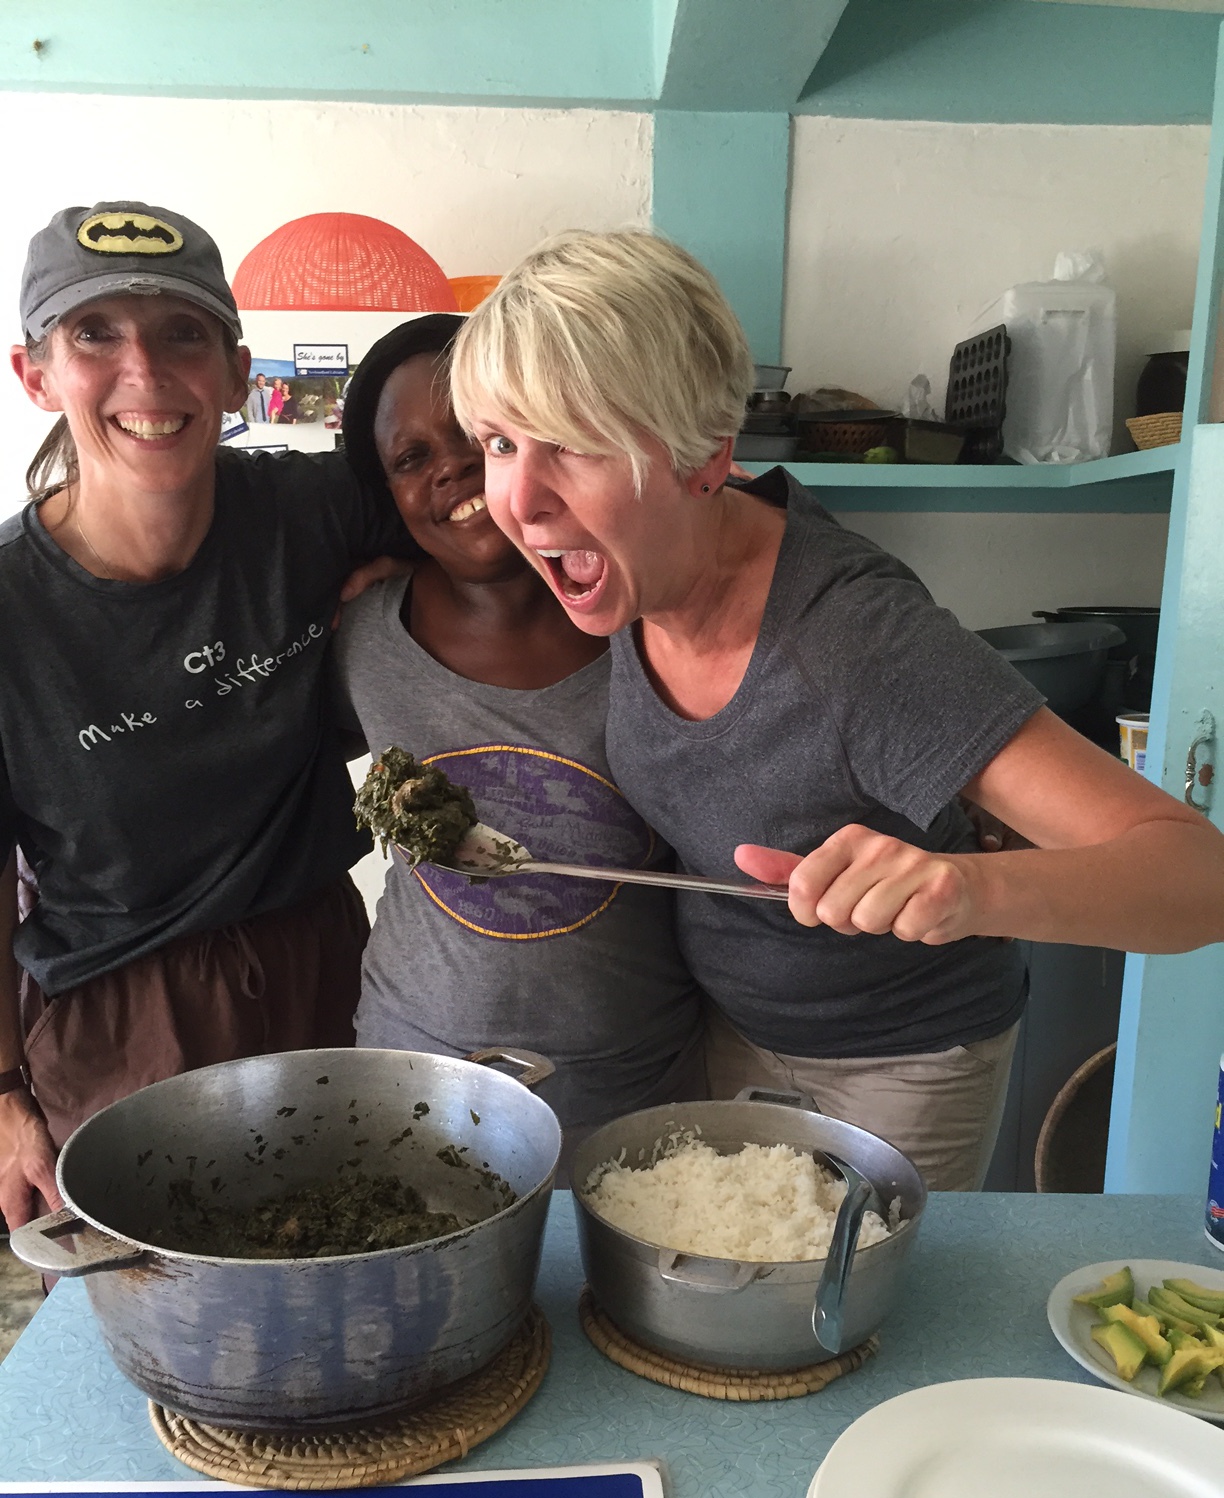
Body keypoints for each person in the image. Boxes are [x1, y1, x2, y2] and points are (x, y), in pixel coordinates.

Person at [449, 227, 1224, 1190]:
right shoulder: (635, 557)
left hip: (902, 1064)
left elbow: (1197, 876)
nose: (521, 501)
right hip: (726, 1031)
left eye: (574, 443)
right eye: (501, 443)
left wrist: (968, 889)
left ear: (705, 456)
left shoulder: (857, 641)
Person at [0, 200, 408, 1228]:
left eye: (183, 333)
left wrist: (416, 590)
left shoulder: (313, 510)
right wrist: (2, 1096)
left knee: (357, 1253)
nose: (144, 371)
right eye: (95, 334)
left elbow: (487, 514)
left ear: (235, 372)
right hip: (119, 1015)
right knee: (159, 1293)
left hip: (325, 961)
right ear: (35, 375)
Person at [333, 315, 705, 1162]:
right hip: (411, 1071)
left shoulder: (651, 624)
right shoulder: (362, 638)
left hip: (634, 1085)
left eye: (477, 432)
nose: (451, 465)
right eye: (411, 458)